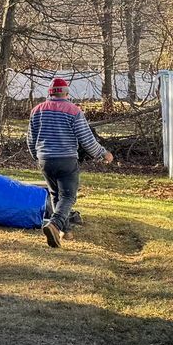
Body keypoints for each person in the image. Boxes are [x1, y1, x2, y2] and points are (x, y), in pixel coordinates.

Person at [27, 76, 113, 247]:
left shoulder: (37, 110)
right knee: (68, 196)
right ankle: (55, 224)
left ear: (49, 93)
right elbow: (86, 139)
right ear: (66, 94)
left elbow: (31, 138)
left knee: (55, 195)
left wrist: (36, 156)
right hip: (66, 159)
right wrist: (103, 153)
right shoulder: (73, 110)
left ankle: (64, 232)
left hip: (45, 159)